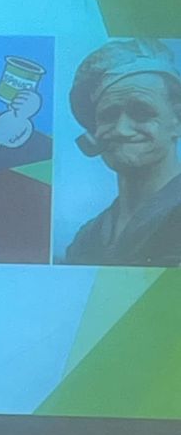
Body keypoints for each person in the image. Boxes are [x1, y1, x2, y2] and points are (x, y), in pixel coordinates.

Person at [65, 38, 181, 267]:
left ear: (176, 122)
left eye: (142, 112)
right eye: (108, 116)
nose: (121, 129)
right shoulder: (86, 239)